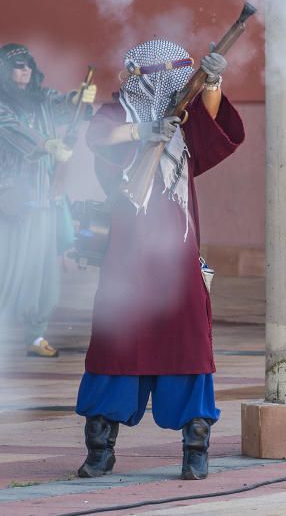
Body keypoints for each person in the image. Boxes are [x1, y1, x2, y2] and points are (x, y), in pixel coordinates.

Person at [75, 39, 244, 481]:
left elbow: (216, 133)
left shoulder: (184, 124)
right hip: (127, 259)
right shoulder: (117, 116)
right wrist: (142, 135)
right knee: (116, 348)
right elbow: (100, 138)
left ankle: (195, 450)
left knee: (187, 347)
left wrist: (212, 83)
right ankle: (100, 450)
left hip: (179, 258)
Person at [0, 43, 94, 358]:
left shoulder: (43, 98)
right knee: (8, 271)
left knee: (43, 276)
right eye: (17, 65)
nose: (24, 70)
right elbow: (10, 130)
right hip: (12, 202)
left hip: (45, 200)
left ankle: (35, 334)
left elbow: (64, 106)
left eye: (28, 65)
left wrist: (77, 99)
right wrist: (48, 144)